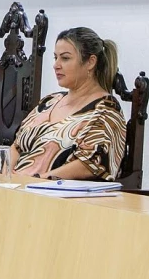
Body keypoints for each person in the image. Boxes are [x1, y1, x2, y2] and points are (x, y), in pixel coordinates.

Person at [11, 27, 126, 180]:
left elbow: (91, 165)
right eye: (55, 57)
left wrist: (38, 181)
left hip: (53, 194)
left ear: (91, 62)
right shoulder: (50, 101)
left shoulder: (106, 110)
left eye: (65, 58)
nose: (56, 65)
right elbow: (17, 145)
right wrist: (4, 175)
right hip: (15, 187)